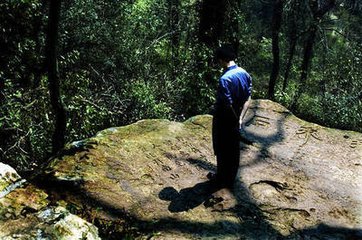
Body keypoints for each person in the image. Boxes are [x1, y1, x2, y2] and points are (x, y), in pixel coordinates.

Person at [210, 45, 252, 189]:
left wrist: (234, 120)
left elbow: (227, 105)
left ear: (222, 60)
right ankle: (230, 179)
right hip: (238, 115)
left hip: (224, 118)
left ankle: (220, 179)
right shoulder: (245, 73)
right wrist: (240, 119)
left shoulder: (225, 79)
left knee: (221, 148)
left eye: (218, 61)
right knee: (234, 149)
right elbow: (248, 98)